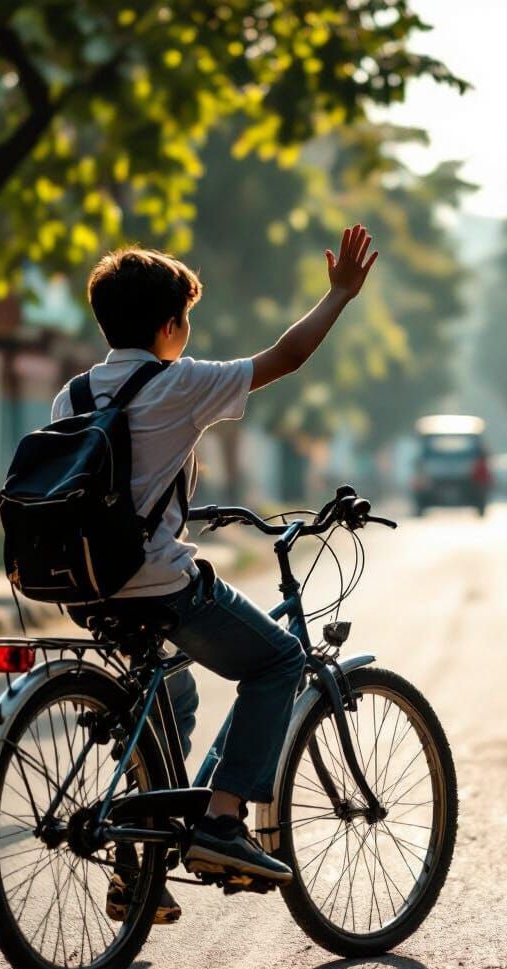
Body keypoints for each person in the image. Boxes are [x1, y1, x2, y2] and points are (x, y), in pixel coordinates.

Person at [52, 225, 378, 923]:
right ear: (170, 326)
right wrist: (339, 296)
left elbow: (113, 486)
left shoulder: (72, 397)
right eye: (186, 322)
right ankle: (223, 822)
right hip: (157, 584)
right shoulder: (180, 383)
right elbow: (285, 356)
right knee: (279, 661)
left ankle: (138, 862)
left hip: (84, 588)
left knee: (174, 697)